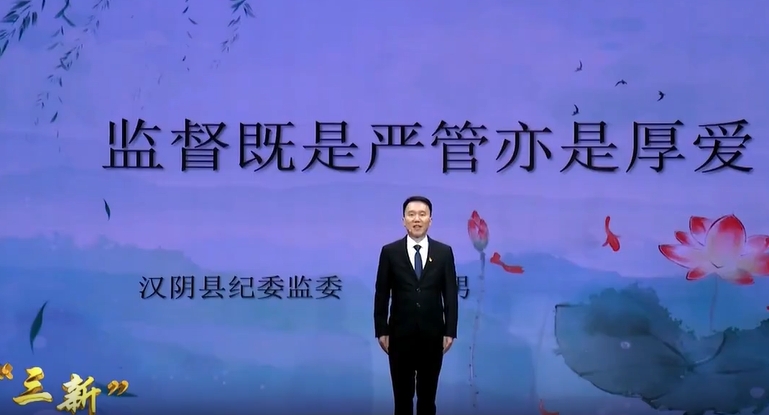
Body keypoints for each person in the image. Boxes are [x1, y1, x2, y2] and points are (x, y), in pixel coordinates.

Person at [374, 195, 459, 415]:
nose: (417, 219)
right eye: (411, 214)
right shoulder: (390, 252)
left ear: (430, 219)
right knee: (402, 400)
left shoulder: (443, 253)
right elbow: (381, 294)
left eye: (422, 214)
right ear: (403, 220)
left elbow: (450, 294)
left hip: (432, 335)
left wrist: (450, 331)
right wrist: (381, 330)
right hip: (399, 336)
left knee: (427, 399)